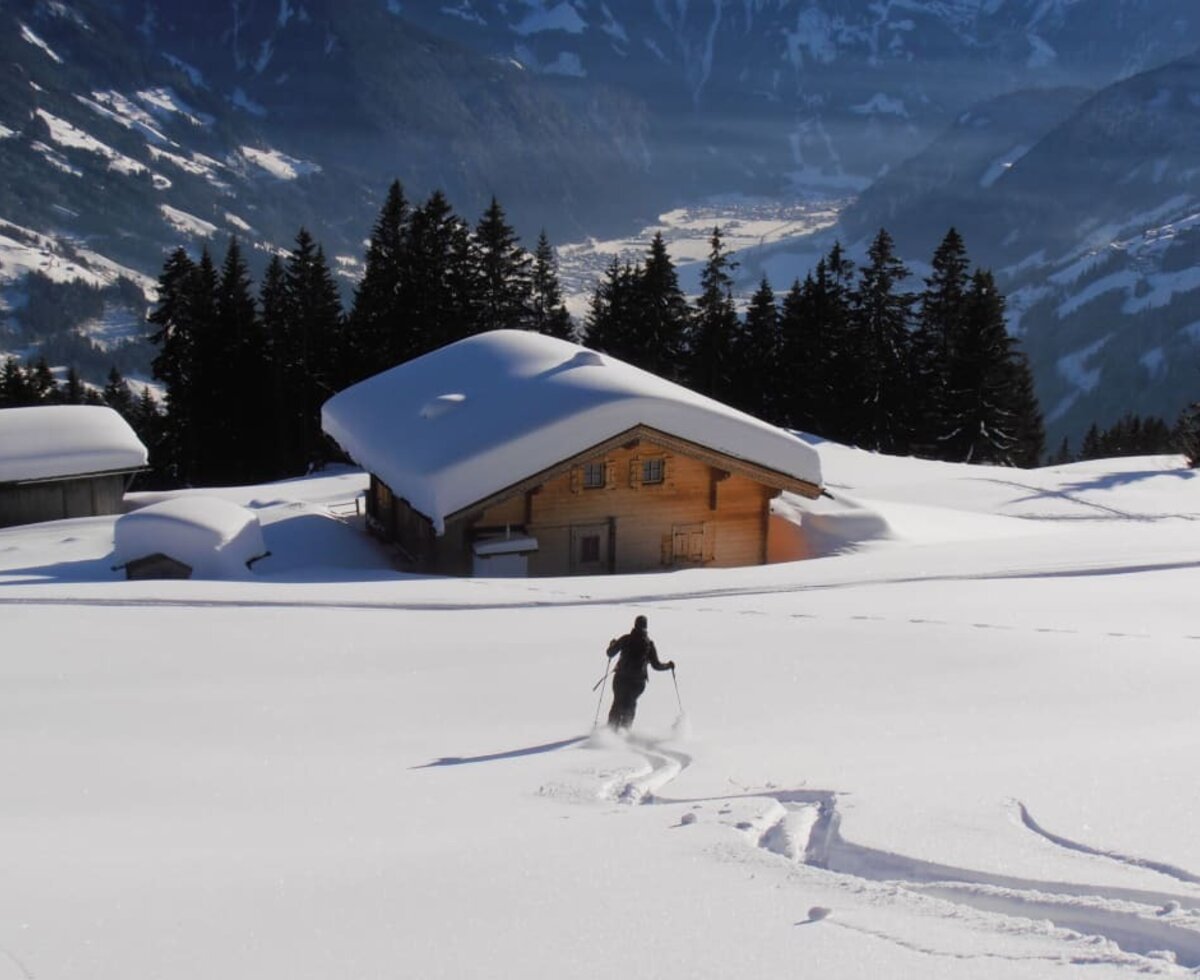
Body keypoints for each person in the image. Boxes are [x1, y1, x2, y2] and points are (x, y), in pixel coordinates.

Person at [605, 614, 674, 730]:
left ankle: (610, 732)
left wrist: (612, 644)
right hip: (638, 683)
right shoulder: (649, 644)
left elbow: (610, 653)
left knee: (617, 703)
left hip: (620, 679)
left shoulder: (625, 639)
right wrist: (668, 666)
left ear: (635, 625)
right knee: (630, 705)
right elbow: (656, 665)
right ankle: (624, 732)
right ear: (646, 627)